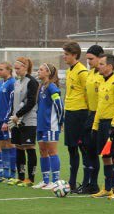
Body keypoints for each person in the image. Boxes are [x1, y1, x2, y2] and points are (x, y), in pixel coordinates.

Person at [91, 54, 114, 198]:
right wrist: (95, 125)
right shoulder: (102, 82)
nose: (98, 66)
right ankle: (108, 188)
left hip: (113, 124)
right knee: (105, 156)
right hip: (102, 124)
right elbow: (100, 106)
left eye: (101, 64)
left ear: (110, 67)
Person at [62, 42, 90, 192]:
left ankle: (86, 183)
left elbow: (88, 94)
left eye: (66, 54)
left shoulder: (82, 72)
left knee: (82, 148)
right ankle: (72, 182)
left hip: (80, 113)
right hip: (70, 112)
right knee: (71, 148)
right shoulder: (69, 71)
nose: (64, 57)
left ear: (74, 55)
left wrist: (87, 113)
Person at [77, 45, 105, 194]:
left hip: (99, 116)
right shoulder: (90, 74)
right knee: (85, 147)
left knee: (94, 151)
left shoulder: (103, 76)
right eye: (87, 59)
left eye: (91, 59)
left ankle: (94, 184)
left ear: (100, 58)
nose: (88, 62)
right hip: (90, 114)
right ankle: (88, 182)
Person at [10, 57, 39, 186]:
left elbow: (31, 102)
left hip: (28, 119)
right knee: (18, 146)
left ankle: (31, 178)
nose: (16, 71)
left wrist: (19, 114)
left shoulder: (32, 82)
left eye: (18, 68)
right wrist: (13, 116)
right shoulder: (17, 82)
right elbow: (15, 102)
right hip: (16, 120)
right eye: (15, 68)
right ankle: (21, 177)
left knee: (29, 147)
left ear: (26, 67)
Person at [36, 63, 64, 189]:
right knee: (42, 151)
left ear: (48, 72)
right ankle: (46, 180)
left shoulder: (52, 87)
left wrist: (60, 121)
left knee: (52, 151)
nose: (38, 71)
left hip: (50, 125)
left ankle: (55, 181)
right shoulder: (41, 87)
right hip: (41, 125)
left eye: (41, 70)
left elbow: (59, 104)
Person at [0, 62, 17, 182]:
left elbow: (12, 104)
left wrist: (7, 120)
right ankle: (5, 173)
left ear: (9, 70)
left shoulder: (12, 83)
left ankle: (12, 173)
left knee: (10, 144)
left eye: (1, 70)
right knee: (3, 145)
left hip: (7, 121)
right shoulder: (0, 84)